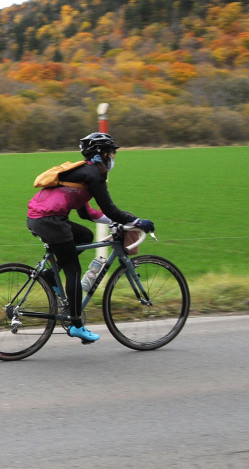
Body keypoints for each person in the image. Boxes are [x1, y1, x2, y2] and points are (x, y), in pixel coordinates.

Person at [26, 132, 154, 343]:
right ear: (102, 154)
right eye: (112, 153)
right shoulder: (94, 174)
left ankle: (50, 276)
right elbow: (111, 209)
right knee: (73, 270)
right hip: (51, 221)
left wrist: (114, 223)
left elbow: (87, 213)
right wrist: (137, 222)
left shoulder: (83, 173)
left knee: (84, 234)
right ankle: (77, 324)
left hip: (42, 219)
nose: (113, 158)